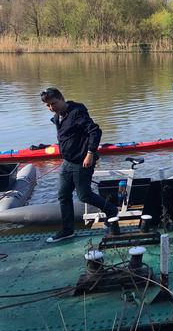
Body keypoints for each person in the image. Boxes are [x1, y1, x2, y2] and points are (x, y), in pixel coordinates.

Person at [40, 87, 118, 243]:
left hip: (82, 161)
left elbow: (95, 131)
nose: (51, 108)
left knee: (84, 195)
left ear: (61, 98)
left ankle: (111, 210)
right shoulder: (58, 116)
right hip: (67, 162)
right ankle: (67, 230)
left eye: (53, 104)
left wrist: (90, 153)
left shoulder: (77, 112)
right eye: (48, 106)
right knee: (63, 195)